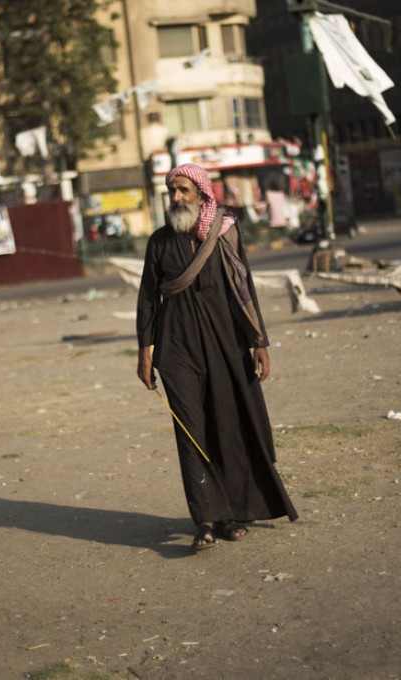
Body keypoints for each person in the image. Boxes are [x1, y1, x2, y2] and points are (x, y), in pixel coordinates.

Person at [136, 163, 298, 551]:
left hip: (225, 345)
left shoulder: (225, 235)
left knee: (228, 427)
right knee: (192, 432)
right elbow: (147, 298)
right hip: (177, 350)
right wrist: (146, 352)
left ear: (202, 194)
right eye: (171, 191)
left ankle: (229, 514)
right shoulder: (159, 242)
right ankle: (205, 520)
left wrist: (259, 341)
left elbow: (244, 288)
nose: (175, 198)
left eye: (183, 191)